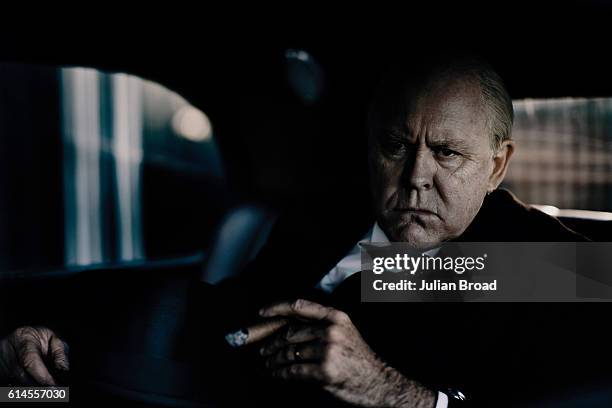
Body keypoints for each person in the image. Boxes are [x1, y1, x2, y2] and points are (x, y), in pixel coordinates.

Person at [1, 56, 592, 406]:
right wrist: (70, 343)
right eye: (395, 146)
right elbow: (227, 316)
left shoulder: (549, 266)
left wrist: (393, 392)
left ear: (497, 165)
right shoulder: (324, 221)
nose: (416, 177)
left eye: (447, 153)